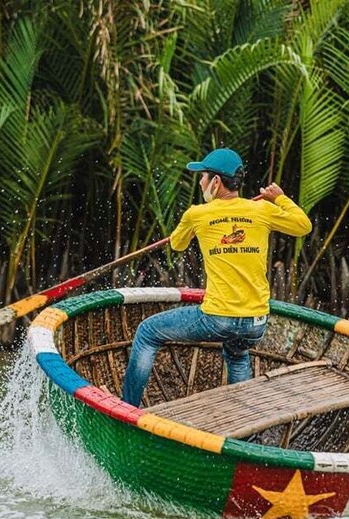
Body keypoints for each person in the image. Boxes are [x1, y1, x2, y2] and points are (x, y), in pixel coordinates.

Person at [121, 148, 312, 407]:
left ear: (216, 182)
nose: (200, 182)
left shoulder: (197, 214)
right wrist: (280, 198)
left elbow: (177, 244)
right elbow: (303, 225)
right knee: (237, 353)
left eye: (203, 176)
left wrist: (196, 225)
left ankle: (126, 408)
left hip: (217, 319)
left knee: (146, 332)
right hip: (256, 323)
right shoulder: (262, 211)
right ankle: (245, 434)